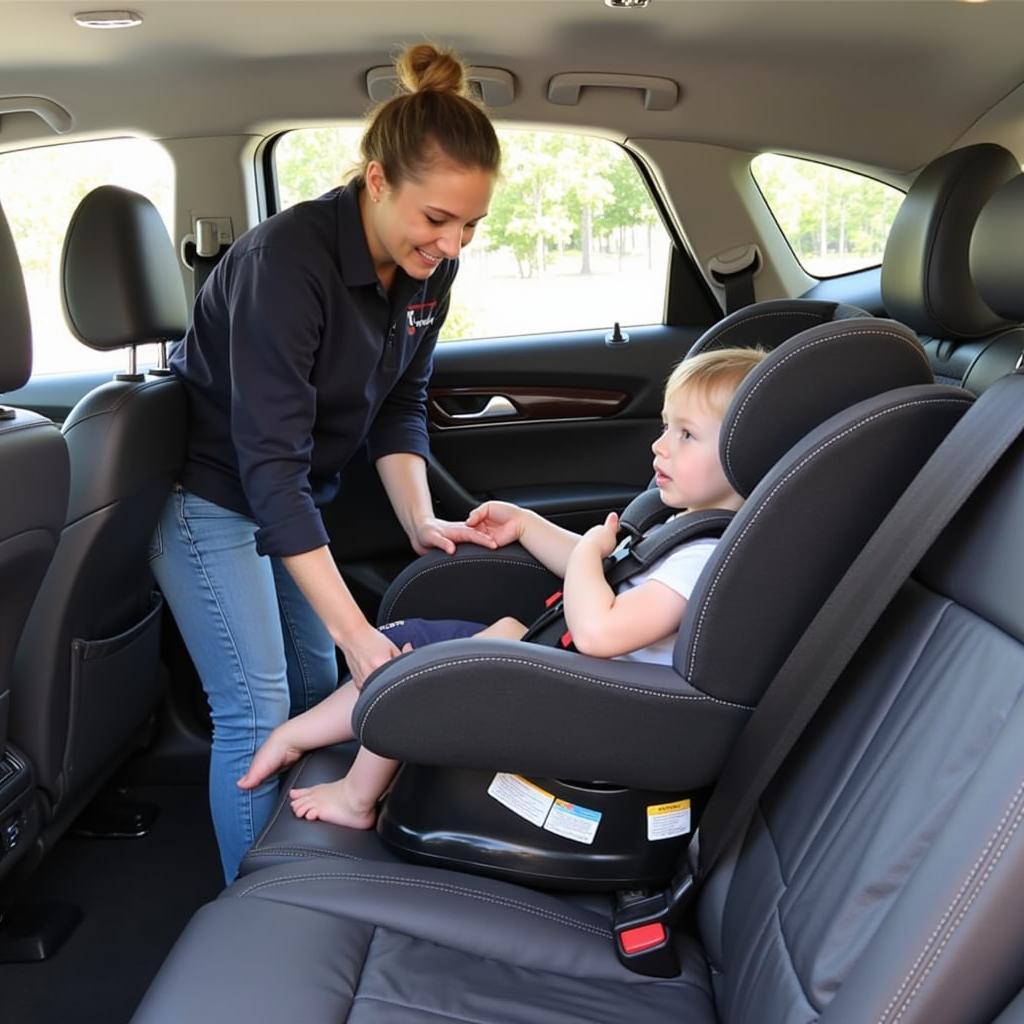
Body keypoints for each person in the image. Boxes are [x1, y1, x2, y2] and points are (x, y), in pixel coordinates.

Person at [150, 42, 502, 882]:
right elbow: (267, 465)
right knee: (259, 705)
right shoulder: (287, 265)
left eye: (469, 226)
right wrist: (358, 633)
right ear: (376, 181)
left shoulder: (425, 273)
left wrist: (421, 519)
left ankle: (314, 863)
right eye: (435, 220)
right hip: (212, 497)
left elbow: (402, 406)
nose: (451, 244)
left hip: (288, 499)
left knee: (317, 689)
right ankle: (258, 911)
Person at [238, 346, 767, 829]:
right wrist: (528, 526)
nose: (660, 446)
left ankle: (357, 797)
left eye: (686, 435)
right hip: (583, 691)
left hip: (604, 724)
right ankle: (294, 736)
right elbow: (613, 574)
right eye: (665, 426)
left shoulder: (702, 559)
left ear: (747, 454)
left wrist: (587, 551)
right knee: (413, 649)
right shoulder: (683, 525)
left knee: (439, 672)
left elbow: (601, 632)